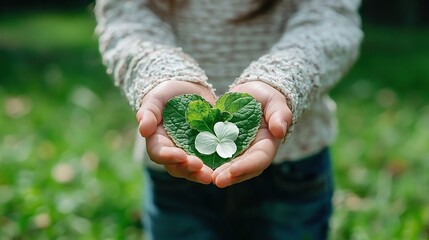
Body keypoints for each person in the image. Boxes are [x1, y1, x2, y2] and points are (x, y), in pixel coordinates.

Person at [95, 0, 363, 239]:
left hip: (293, 168)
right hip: (176, 167)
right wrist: (162, 76)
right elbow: (126, 17)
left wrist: (280, 81)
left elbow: (331, 18)